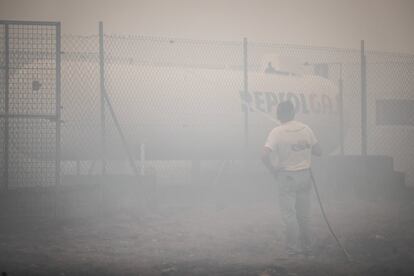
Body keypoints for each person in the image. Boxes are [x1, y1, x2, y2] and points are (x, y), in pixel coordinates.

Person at [261, 100, 322, 256]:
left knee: (289, 215)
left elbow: (264, 155)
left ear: (279, 115)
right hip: (305, 176)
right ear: (293, 113)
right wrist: (302, 148)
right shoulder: (306, 129)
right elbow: (318, 151)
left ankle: (292, 248)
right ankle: (307, 246)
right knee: (304, 214)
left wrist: (272, 170)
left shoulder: (277, 132)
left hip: (287, 176)